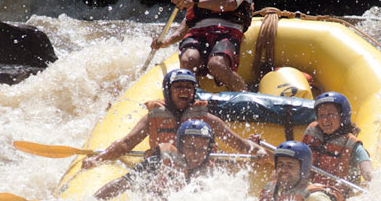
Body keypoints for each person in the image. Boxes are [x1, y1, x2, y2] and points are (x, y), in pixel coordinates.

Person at [82, 68, 267, 169]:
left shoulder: (206, 118)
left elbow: (239, 144)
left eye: (189, 87)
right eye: (179, 87)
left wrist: (258, 151)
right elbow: (126, 143)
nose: (184, 91)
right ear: (168, 92)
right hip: (167, 167)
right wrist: (99, 158)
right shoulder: (153, 117)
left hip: (199, 167)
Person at [94, 120, 218, 201]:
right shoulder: (158, 163)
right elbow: (123, 183)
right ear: (180, 146)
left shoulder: (210, 172)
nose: (196, 154)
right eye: (190, 148)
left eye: (202, 149)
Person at [302, 92, 373, 201]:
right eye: (321, 115)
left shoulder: (352, 145)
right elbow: (295, 160)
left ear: (342, 116)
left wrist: (373, 185)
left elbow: (368, 172)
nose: (325, 120)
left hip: (334, 195)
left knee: (315, 198)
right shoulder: (312, 131)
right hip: (307, 187)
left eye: (330, 114)